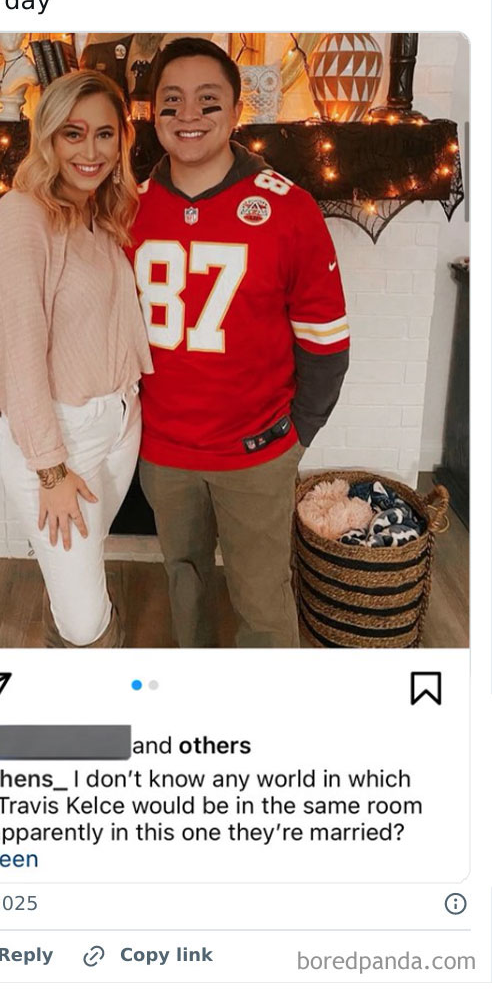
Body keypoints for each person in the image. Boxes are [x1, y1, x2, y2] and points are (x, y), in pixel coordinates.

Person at [129, 37, 349, 648]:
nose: (189, 115)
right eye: (171, 101)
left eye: (207, 99)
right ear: (152, 113)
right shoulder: (127, 209)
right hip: (165, 450)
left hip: (256, 451)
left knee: (262, 598)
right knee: (185, 581)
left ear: (235, 110)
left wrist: (295, 434)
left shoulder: (290, 208)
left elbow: (326, 341)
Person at [0, 71, 152, 648]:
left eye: (105, 134)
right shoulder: (24, 214)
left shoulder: (101, 214)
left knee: (79, 569)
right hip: (55, 440)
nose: (90, 150)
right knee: (83, 622)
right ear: (47, 137)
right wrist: (49, 470)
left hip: (120, 424)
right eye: (74, 133)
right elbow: (20, 348)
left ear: (121, 141)